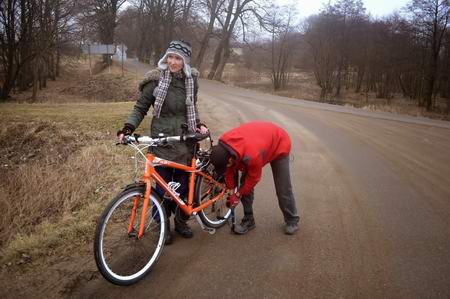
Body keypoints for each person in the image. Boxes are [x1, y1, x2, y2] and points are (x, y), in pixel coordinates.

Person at [117, 40, 208, 244]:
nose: (173, 62)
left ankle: (182, 220)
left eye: (178, 58)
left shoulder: (191, 81)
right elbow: (140, 108)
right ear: (165, 58)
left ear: (184, 61)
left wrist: (199, 124)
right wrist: (128, 128)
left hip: (185, 140)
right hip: (162, 140)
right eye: (170, 57)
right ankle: (162, 224)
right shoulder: (155, 81)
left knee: (184, 184)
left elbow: (191, 108)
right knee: (162, 187)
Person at [209, 121, 299, 235]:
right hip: (259, 140)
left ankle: (292, 219)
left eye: (227, 164)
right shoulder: (224, 145)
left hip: (279, 142)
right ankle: (249, 219)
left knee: (283, 188)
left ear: (230, 159)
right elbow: (229, 170)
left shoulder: (251, 156)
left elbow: (253, 179)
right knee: (242, 185)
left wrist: (238, 194)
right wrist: (231, 190)